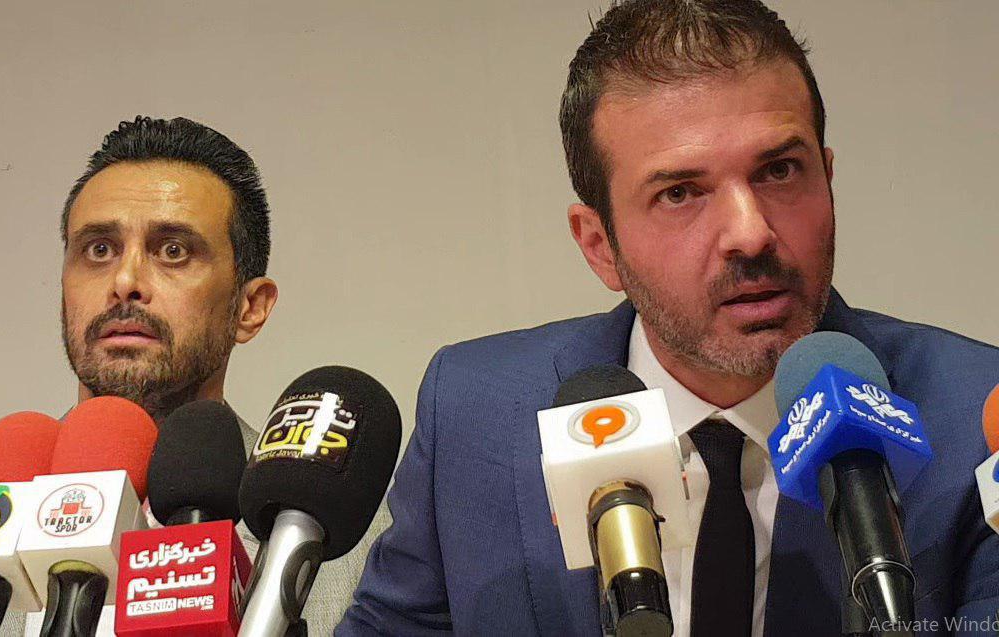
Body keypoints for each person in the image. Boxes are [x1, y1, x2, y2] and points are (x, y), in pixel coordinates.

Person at [338, 1, 999, 635]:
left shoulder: (975, 418)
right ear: (600, 245)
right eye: (680, 192)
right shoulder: (474, 416)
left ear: (827, 178)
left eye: (779, 170)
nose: (750, 233)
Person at [0, 116, 384, 636]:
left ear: (250, 307)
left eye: (173, 251)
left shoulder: (351, 544)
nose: (125, 281)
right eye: (99, 249)